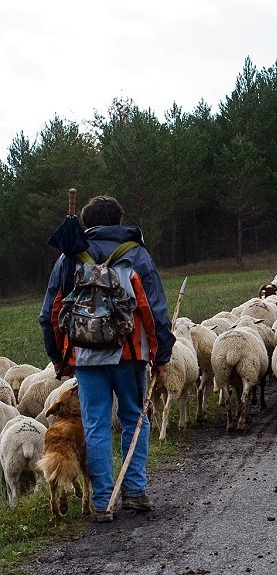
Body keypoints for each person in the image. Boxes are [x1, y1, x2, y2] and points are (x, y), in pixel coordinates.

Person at [39, 195, 175, 522]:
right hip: (130, 353)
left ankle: (102, 501)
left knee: (95, 424)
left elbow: (50, 312)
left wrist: (59, 357)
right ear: (118, 220)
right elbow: (154, 307)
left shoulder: (70, 256)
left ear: (88, 222)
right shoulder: (135, 254)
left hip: (85, 356)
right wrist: (161, 354)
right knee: (135, 419)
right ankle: (134, 491)